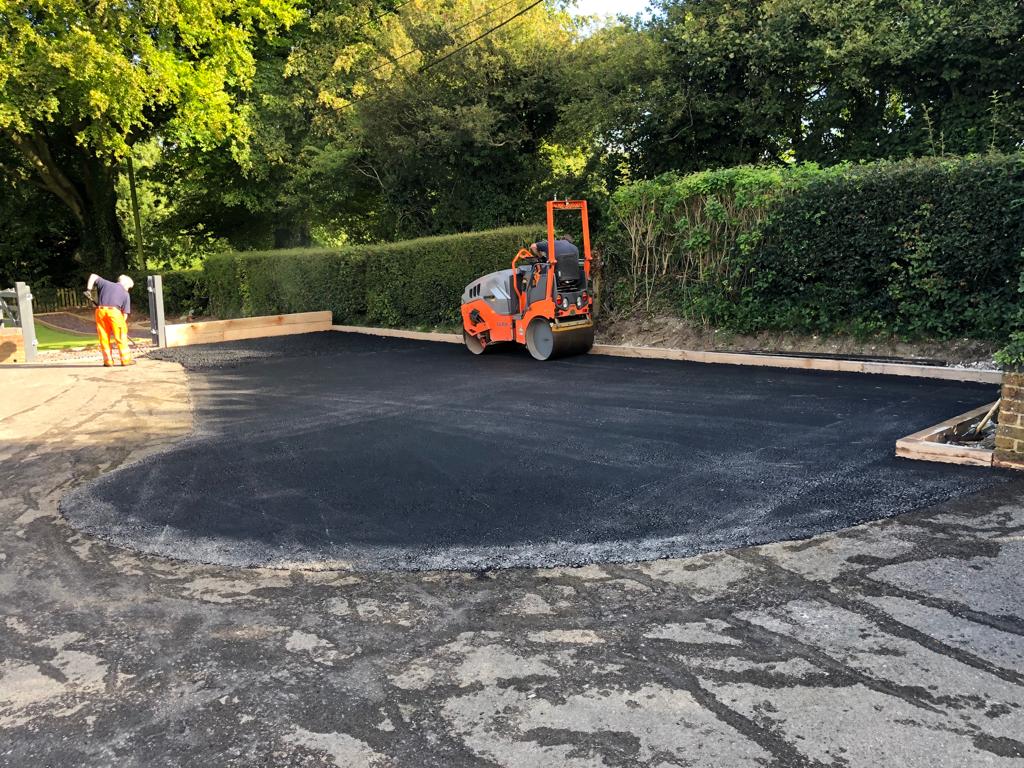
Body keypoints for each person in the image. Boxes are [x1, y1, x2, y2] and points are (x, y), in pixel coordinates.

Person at [86, 273, 135, 367]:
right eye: (129, 287)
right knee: (121, 337)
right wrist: (122, 327)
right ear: (125, 284)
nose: (128, 289)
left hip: (100, 311)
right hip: (114, 313)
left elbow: (93, 276)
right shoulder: (125, 294)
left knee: (104, 337)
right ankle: (125, 360)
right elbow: (125, 314)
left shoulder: (106, 284)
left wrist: (89, 289)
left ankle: (108, 361)